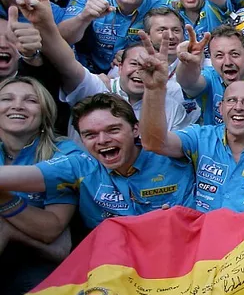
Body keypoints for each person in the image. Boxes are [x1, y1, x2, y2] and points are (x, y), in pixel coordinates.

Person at [137, 35, 244, 233]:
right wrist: (154, 88)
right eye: (231, 101)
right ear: (220, 108)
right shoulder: (201, 138)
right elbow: (153, 143)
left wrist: (239, 229)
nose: (238, 107)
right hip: (201, 241)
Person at [0, 91, 195, 230]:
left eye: (113, 130)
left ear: (136, 129)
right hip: (114, 267)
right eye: (90, 134)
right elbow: (16, 176)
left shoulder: (174, 155)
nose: (102, 140)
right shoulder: (80, 166)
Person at [19, 0, 192, 133]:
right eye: (134, 64)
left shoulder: (172, 107)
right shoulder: (97, 89)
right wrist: (44, 25)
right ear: (119, 66)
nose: (141, 71)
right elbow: (66, 62)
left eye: (149, 67)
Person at [0, 76, 80, 295]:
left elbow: (51, 228)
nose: (17, 105)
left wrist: (3, 197)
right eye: (7, 99)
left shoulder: (63, 152)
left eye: (30, 100)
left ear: (44, 112)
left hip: (34, 259)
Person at [174, 24, 244, 135]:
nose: (228, 62)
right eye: (219, 56)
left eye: (234, 54)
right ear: (211, 59)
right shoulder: (210, 77)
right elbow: (188, 83)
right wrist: (187, 64)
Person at [60, 0, 158, 74]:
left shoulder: (157, 8)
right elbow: (62, 38)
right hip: (82, 71)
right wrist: (84, 17)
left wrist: (135, 51)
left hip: (126, 74)